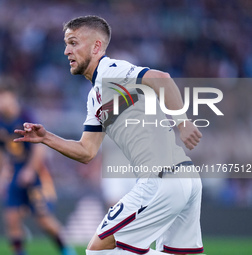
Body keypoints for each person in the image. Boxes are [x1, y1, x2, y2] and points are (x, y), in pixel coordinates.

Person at [14, 15, 204, 255]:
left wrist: (183, 122)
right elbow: (87, 151)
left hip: (160, 179)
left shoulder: (111, 71)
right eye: (65, 44)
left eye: (73, 43)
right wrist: (46, 138)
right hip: (185, 177)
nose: (66, 51)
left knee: (98, 250)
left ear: (96, 47)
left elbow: (161, 78)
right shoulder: (95, 96)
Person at [0, 77, 76, 255]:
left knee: (43, 220)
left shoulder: (26, 116)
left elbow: (40, 149)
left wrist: (30, 170)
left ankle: (67, 250)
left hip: (36, 173)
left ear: (12, 96)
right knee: (11, 218)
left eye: (0, 96)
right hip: (15, 173)